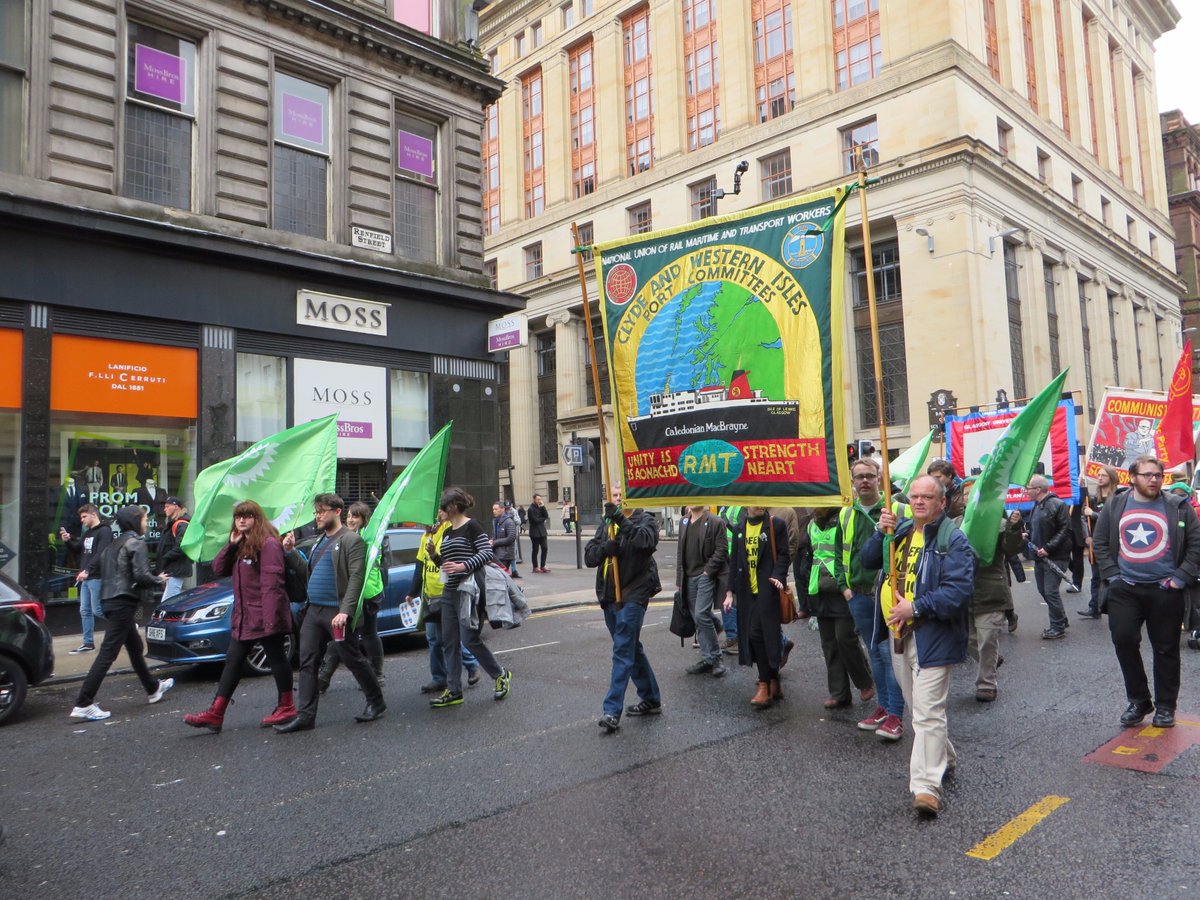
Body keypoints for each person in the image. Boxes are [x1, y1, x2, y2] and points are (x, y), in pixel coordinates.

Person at [866, 475, 975, 818]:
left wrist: (915, 607)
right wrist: (877, 532)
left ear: (941, 502)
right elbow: (868, 561)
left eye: (927, 497)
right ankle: (946, 756)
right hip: (899, 635)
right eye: (914, 496)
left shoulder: (953, 540)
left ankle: (926, 787)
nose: (918, 502)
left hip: (933, 636)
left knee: (927, 713)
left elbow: (958, 592)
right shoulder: (898, 532)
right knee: (920, 711)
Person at [1093, 455, 1200, 729]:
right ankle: (1139, 700)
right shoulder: (1115, 504)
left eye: (1158, 475)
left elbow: (1196, 546)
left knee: (1166, 650)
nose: (1153, 479)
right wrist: (1113, 577)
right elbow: (1101, 542)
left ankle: (1165, 707)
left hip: (1165, 590)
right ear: (1133, 477)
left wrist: (1179, 578)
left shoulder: (1178, 507)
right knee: (1124, 641)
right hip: (1125, 589)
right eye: (1147, 475)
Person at [275, 493, 386, 732]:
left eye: (322, 511)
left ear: (337, 512)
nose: (318, 516)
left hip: (337, 612)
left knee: (352, 658)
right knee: (307, 661)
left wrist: (346, 611)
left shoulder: (351, 540)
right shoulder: (318, 542)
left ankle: (376, 702)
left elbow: (357, 577)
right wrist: (291, 552)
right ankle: (306, 716)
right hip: (314, 610)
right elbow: (308, 573)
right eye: (316, 512)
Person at [183, 500, 295, 733]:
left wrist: (271, 618)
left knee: (276, 658)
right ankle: (216, 713)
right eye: (238, 516)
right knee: (233, 661)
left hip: (265, 615)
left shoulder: (269, 543)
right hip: (245, 616)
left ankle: (287, 706)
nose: (241, 520)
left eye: (247, 516)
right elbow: (218, 568)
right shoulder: (242, 543)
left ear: (257, 518)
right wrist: (231, 546)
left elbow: (272, 584)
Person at [69, 505, 174, 721]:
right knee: (108, 652)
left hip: (108, 601)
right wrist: (160, 580)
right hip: (122, 602)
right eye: (145, 520)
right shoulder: (136, 542)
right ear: (136, 522)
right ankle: (84, 702)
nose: (146, 523)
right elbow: (142, 576)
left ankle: (153, 689)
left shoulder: (113, 545)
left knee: (135, 646)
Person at [838, 457, 906, 741]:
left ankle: (895, 714)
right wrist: (845, 586)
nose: (864, 481)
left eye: (870, 475)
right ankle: (883, 707)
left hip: (888, 595)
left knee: (892, 655)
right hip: (859, 596)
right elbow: (838, 552)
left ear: (880, 478)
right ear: (852, 482)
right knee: (875, 653)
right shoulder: (845, 514)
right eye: (859, 477)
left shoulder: (898, 509)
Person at [426, 487, 511, 709]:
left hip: (469, 593)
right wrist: (435, 554)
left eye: (442, 508)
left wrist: (464, 565)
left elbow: (486, 553)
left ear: (453, 506)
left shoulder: (472, 526)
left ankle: (500, 674)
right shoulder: (446, 532)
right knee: (449, 643)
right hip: (449, 593)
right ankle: (454, 690)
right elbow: (446, 566)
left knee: (469, 639)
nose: (440, 512)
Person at [586, 486, 662, 733]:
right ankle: (651, 698)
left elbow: (644, 543)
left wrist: (620, 519)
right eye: (615, 496)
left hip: (634, 592)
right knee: (630, 647)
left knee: (622, 649)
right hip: (610, 595)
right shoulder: (607, 524)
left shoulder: (646, 520)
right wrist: (604, 549)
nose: (618, 499)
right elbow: (589, 556)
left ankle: (611, 711)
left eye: (622, 495)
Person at [805, 506, 874, 710]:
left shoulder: (844, 519)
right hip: (820, 589)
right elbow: (808, 556)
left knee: (845, 638)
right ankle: (839, 693)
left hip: (842, 589)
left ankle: (865, 682)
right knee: (829, 643)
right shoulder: (811, 525)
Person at [723, 507, 791, 709]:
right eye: (754, 501)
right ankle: (772, 680)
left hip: (768, 590)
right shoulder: (739, 529)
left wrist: (778, 577)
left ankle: (765, 683)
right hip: (746, 593)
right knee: (755, 636)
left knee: (763, 635)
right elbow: (734, 562)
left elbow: (784, 554)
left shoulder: (775, 524)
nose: (759, 504)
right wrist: (729, 592)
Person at [318, 501, 386, 691]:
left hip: (367, 594)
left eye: (355, 516)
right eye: (348, 516)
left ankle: (376, 674)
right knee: (345, 634)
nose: (350, 519)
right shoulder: (349, 536)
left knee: (360, 634)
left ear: (365, 519)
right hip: (353, 594)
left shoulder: (369, 538)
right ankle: (325, 678)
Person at [967, 510, 1024, 702]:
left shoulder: (998, 524)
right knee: (967, 639)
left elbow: (1012, 548)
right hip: (964, 592)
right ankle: (993, 659)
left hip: (991, 591)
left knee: (987, 640)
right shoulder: (956, 522)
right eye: (965, 494)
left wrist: (1013, 526)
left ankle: (986, 683)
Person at [676, 504, 729, 678]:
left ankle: (716, 658)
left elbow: (722, 550)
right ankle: (707, 658)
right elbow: (680, 553)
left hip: (705, 575)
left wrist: (708, 571)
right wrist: (679, 581)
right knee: (697, 618)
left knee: (700, 614)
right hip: (688, 577)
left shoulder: (715, 521)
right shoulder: (684, 521)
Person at [62, 504, 112, 654]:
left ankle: (125, 624)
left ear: (93, 514)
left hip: (96, 576)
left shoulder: (105, 531)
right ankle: (88, 643)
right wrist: (67, 541)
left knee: (97, 610)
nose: (82, 520)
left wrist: (88, 570)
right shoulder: (88, 533)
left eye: (84, 517)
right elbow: (78, 549)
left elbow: (101, 553)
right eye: (81, 517)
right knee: (85, 610)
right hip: (85, 577)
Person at [1026, 475, 1071, 639]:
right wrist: (1028, 534)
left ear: (1038, 490)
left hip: (1056, 556)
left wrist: (1048, 548)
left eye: (1029, 488)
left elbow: (1065, 530)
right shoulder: (1036, 506)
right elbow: (1037, 529)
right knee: (1043, 590)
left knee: (1050, 591)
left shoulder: (1057, 505)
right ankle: (1061, 618)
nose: (1027, 491)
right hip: (1040, 557)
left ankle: (1057, 627)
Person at [1079, 465, 1122, 619]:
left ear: (1111, 477)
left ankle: (1116, 605)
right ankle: (1094, 607)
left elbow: (1112, 518)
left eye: (1103, 475)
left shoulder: (1117, 498)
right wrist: (1087, 536)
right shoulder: (1091, 499)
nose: (1099, 477)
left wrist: (1094, 514)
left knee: (1112, 575)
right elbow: (1083, 518)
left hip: (1113, 543)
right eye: (1098, 474)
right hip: (1095, 542)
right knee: (1096, 576)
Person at [155, 496, 193, 600]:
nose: (164, 509)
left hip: (175, 569)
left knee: (169, 601)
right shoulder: (175, 523)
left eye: (167, 506)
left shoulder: (181, 524)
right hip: (172, 569)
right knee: (171, 600)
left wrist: (164, 558)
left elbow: (180, 547)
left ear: (176, 507)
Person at [491, 501, 520, 579]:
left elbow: (511, 538)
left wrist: (495, 542)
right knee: (499, 577)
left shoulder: (509, 522)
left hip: (505, 555)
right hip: (497, 553)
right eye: (493, 509)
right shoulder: (495, 521)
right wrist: (491, 540)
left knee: (502, 577)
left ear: (502, 509)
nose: (494, 511)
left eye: (496, 509)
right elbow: (495, 536)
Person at [528, 494, 551, 573]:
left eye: (540, 499)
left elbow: (546, 515)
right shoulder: (530, 509)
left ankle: (543, 565)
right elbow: (535, 520)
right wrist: (543, 519)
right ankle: (535, 567)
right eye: (538, 499)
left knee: (545, 548)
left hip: (542, 531)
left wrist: (543, 506)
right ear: (534, 499)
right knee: (535, 550)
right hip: (535, 532)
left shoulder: (540, 507)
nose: (539, 501)